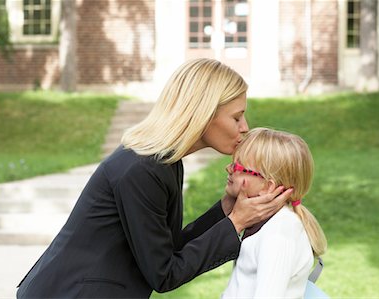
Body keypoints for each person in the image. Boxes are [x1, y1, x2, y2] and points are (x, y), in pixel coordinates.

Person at [16, 59, 293, 298]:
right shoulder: (142, 169)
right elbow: (164, 274)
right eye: (236, 117)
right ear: (203, 114)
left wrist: (226, 210)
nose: (244, 127)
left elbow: (168, 250)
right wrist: (238, 222)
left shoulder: (162, 161)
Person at [221, 128, 328, 298]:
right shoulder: (267, 223)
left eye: (238, 166)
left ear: (268, 187)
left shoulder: (278, 234)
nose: (229, 168)